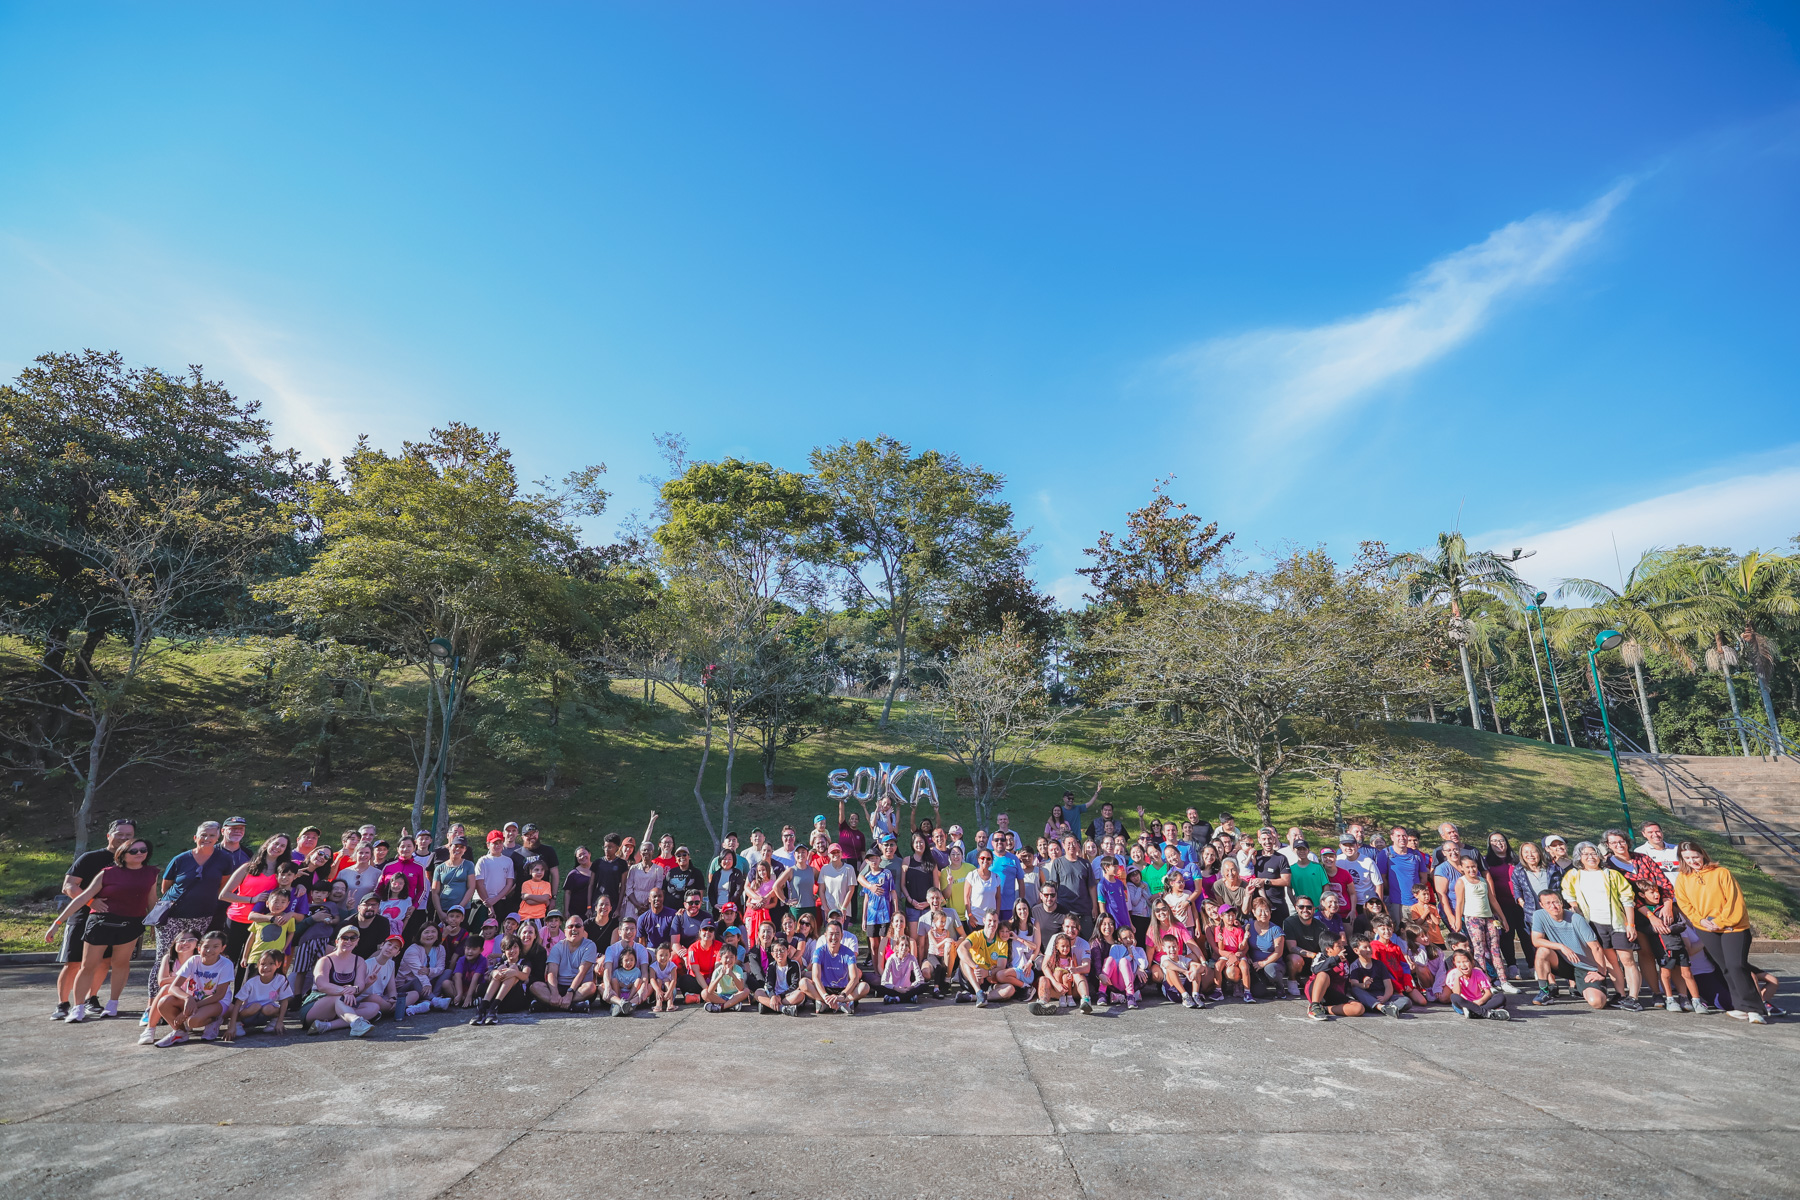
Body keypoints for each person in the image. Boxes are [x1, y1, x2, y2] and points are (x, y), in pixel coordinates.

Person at [44, 834, 158, 1023]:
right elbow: (82, 897)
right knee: (88, 965)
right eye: (134, 850)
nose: (139, 853)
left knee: (121, 963)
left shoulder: (151, 873)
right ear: (123, 854)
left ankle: (113, 1004)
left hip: (131, 924)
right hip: (101, 923)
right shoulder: (108, 872)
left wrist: (155, 923)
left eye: (143, 850)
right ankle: (78, 1008)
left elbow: (152, 899)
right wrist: (57, 923)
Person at [1672, 842, 1765, 1025]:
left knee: (1736, 965)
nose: (1692, 861)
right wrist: (1700, 921)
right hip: (1706, 928)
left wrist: (1720, 922)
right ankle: (1740, 1006)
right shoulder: (1683, 878)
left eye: (1695, 856)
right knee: (1725, 967)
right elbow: (1684, 904)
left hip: (1733, 927)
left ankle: (1754, 1008)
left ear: (1703, 854)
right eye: (1687, 858)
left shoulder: (1721, 873)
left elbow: (1734, 901)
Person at [150, 821, 230, 1013]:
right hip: (173, 915)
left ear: (218, 837)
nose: (207, 838)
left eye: (211, 835)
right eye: (203, 835)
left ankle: (184, 1001)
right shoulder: (181, 859)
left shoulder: (224, 859)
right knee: (165, 957)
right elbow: (166, 886)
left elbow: (223, 885)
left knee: (192, 958)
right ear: (195, 837)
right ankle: (152, 1005)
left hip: (202, 915)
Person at [1560, 841, 1642, 1010]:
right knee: (1611, 962)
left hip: (1618, 923)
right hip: (1594, 925)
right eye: (1585, 854)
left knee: (1627, 960)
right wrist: (1576, 910)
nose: (1590, 857)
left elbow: (1627, 899)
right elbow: (1568, 895)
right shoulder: (1573, 875)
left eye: (1593, 853)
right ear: (1579, 858)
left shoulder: (1612, 874)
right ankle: (1621, 994)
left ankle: (1634, 997)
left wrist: (1631, 924)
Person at [149, 928, 236, 1046]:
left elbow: (219, 995)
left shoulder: (226, 964)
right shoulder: (193, 960)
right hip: (194, 999)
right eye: (206, 946)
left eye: (215, 947)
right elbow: (173, 987)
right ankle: (180, 1032)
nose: (209, 950)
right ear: (199, 948)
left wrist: (189, 1009)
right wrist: (187, 998)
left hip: (216, 1002)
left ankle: (215, 1020)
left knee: (193, 1022)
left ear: (222, 948)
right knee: (164, 1002)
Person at [1528, 891, 1612, 1009]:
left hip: (1586, 968)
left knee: (1597, 1003)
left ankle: (1589, 987)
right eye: (1548, 903)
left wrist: (1601, 972)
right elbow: (1536, 940)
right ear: (1541, 905)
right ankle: (1544, 992)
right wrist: (1561, 946)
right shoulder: (1539, 915)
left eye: (1556, 902)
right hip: (1564, 963)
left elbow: (1596, 947)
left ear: (1561, 903)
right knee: (1542, 951)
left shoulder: (1576, 919)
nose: (1553, 906)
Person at [1448, 854, 1517, 993]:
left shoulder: (1483, 881)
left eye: (1473, 866)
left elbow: (1492, 900)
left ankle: (1503, 981)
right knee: (1479, 951)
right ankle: (1485, 982)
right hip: (1473, 918)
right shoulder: (1462, 882)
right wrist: (1457, 920)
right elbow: (1459, 903)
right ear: (1462, 868)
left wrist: (1502, 918)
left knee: (1495, 949)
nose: (1471, 870)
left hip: (1489, 917)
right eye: (1468, 867)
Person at [535, 914, 599, 1012]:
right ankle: (572, 1005)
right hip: (559, 986)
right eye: (570, 926)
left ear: (583, 930)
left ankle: (551, 1005)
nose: (574, 929)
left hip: (579, 988)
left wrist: (570, 992)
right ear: (565, 931)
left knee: (591, 987)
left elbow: (582, 973)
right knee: (535, 986)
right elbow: (552, 972)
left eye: (578, 926)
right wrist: (554, 993)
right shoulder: (557, 947)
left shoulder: (590, 945)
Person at [808, 920, 869, 1013]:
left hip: (844, 990)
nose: (834, 937)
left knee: (865, 987)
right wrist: (825, 996)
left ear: (842, 936)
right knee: (803, 983)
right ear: (825, 935)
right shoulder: (819, 952)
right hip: (824, 989)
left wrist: (842, 996)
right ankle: (830, 1002)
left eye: (837, 934)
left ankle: (839, 1002)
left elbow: (854, 978)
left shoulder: (849, 953)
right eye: (831, 934)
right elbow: (815, 977)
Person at [1305, 931, 1367, 1021]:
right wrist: (1335, 959)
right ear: (1328, 949)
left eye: (1342, 945)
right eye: (1339, 946)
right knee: (1323, 975)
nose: (1343, 948)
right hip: (1319, 992)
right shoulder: (1320, 956)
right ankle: (1314, 1006)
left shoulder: (1345, 960)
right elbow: (1315, 969)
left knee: (1359, 1008)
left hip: (1335, 994)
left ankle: (1324, 1009)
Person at [1442, 946, 1510, 1020]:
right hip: (1464, 1004)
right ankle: (1486, 1013)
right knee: (1454, 997)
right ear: (1454, 963)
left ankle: (1474, 1012)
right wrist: (1457, 978)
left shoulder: (1478, 973)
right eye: (1458, 962)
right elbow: (1457, 993)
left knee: (1500, 997)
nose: (1463, 965)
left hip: (1479, 1001)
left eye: (1466, 961)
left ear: (1472, 962)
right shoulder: (1453, 974)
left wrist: (1480, 1001)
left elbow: (1488, 993)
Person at [701, 944, 751, 1012]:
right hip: (720, 996)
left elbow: (741, 988)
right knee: (704, 993)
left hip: (734, 996)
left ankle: (722, 1007)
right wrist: (720, 976)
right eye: (726, 957)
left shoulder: (738, 969)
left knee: (746, 991)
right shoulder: (718, 970)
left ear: (735, 958)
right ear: (720, 959)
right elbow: (710, 990)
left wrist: (732, 975)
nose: (728, 960)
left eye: (731, 957)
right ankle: (731, 1005)